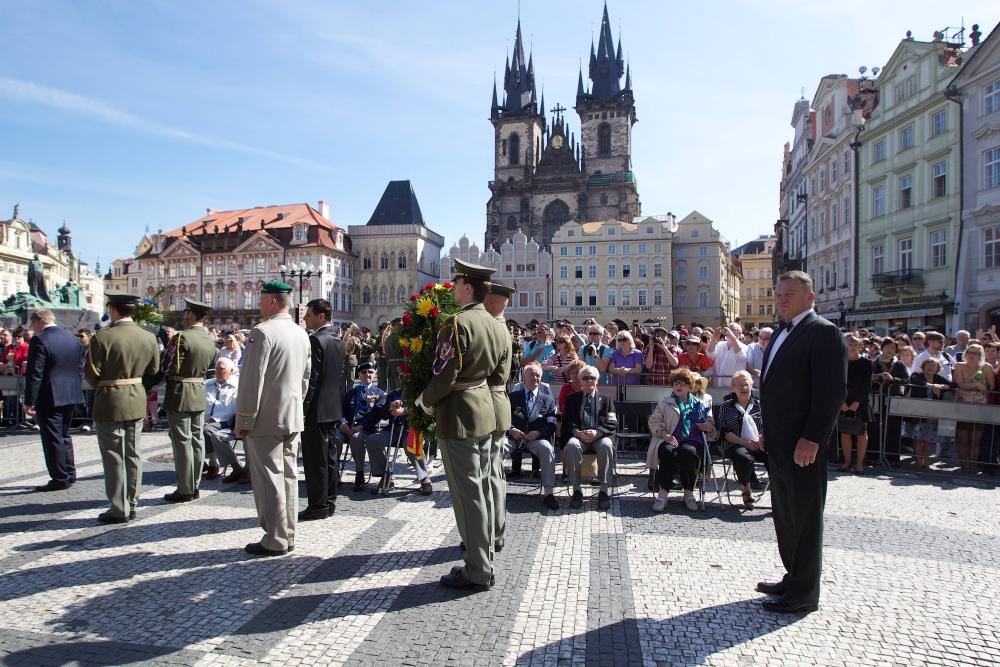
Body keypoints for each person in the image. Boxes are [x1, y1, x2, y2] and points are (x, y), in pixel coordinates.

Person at [756, 270, 846, 614]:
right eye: (778, 294)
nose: (780, 299)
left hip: (803, 445)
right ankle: (793, 575)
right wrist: (766, 430)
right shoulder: (780, 331)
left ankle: (805, 592)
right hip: (778, 441)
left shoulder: (824, 332)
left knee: (806, 517)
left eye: (788, 294)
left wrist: (812, 438)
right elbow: (775, 390)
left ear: (810, 297)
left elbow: (831, 392)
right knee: (785, 514)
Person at [415, 258, 508, 591]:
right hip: (485, 411)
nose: (452, 289)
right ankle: (482, 558)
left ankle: (478, 569)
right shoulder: (498, 325)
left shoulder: (457, 324)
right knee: (482, 489)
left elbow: (444, 375)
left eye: (456, 284)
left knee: (468, 496)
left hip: (459, 415)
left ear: (468, 286)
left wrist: (423, 402)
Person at [235, 281, 311, 557]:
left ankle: (275, 539)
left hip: (265, 417)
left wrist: (243, 419)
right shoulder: (300, 333)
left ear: (271, 301)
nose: (259, 305)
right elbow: (305, 378)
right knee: (289, 476)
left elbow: (251, 380)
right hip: (292, 416)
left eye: (261, 299)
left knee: (269, 478)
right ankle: (288, 533)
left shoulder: (262, 332)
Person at [84, 291, 160, 524]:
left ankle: (119, 507)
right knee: (133, 453)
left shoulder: (102, 337)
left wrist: (106, 385)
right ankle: (133, 501)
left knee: (114, 455)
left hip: (110, 398)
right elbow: (154, 370)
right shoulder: (147, 337)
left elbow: (90, 373)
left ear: (113, 310)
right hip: (136, 397)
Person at [160, 299, 219, 501]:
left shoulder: (181, 338)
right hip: (199, 390)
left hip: (180, 391)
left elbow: (166, 366)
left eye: (186, 312)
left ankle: (185, 488)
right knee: (197, 439)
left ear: (191, 315)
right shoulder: (209, 339)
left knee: (181, 441)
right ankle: (194, 485)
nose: (185, 315)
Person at [23, 309, 85, 492]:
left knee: (52, 437)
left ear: (37, 322)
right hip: (71, 392)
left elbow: (35, 373)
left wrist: (29, 401)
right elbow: (79, 366)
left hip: (50, 394)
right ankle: (70, 472)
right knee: (65, 434)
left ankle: (59, 478)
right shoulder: (72, 339)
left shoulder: (40, 340)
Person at [647, 367, 716, 511]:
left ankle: (688, 493)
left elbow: (711, 427)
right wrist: (664, 434)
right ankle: (663, 494)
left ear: (689, 385)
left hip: (692, 440)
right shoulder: (665, 402)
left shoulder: (699, 404)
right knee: (667, 452)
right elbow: (653, 422)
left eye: (682, 383)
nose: (678, 386)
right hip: (670, 437)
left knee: (689, 452)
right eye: (676, 383)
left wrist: (707, 426)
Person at [301, 298, 345, 519]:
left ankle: (318, 506)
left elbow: (312, 380)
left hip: (316, 409)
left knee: (315, 459)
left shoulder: (316, 340)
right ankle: (329, 501)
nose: (305, 317)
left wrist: (303, 409)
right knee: (329, 457)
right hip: (332, 408)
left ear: (321, 316)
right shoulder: (337, 338)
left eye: (308, 314)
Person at [482, 280, 514, 553]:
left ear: (492, 301)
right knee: (495, 473)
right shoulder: (502, 327)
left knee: (489, 475)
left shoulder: (495, 329)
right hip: (498, 404)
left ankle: (489, 533)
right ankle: (496, 531)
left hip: (489, 405)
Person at [561, 364, 617, 510]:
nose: (589, 381)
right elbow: (567, 421)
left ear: (597, 381)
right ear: (580, 381)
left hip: (600, 436)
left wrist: (598, 432)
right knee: (572, 445)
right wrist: (577, 433)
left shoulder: (606, 399)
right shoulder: (572, 398)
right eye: (585, 378)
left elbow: (612, 422)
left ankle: (604, 490)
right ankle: (576, 490)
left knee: (606, 445)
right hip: (579, 436)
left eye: (592, 378)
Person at [507, 362, 560, 510]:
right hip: (513, 437)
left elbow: (552, 423)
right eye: (532, 374)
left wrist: (539, 433)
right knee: (495, 447)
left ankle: (549, 493)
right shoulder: (512, 397)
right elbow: (502, 419)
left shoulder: (548, 399)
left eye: (538, 375)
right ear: (524, 376)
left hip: (535, 439)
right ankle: (492, 489)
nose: (535, 377)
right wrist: (511, 430)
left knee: (548, 449)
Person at [364, 389, 434, 495]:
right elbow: (382, 414)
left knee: (410, 444)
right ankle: (386, 476)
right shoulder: (393, 394)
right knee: (372, 440)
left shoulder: (417, 391)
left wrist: (404, 411)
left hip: (412, 429)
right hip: (393, 430)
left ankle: (424, 478)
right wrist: (389, 408)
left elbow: (424, 409)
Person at [717, 371, 767, 508]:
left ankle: (779, 493)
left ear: (751, 385)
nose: (743, 388)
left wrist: (761, 439)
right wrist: (746, 443)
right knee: (742, 457)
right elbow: (725, 433)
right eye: (739, 385)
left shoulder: (760, 405)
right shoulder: (726, 407)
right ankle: (746, 488)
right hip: (736, 443)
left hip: (760, 442)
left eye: (746, 385)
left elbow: (768, 427)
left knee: (776, 457)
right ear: (733, 387)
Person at [338, 362, 385, 491]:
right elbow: (340, 410)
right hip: (346, 427)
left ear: (374, 374)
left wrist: (362, 426)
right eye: (364, 372)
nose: (367, 375)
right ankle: (333, 472)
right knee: (334, 438)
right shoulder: (351, 393)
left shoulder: (379, 394)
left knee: (357, 437)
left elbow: (376, 415)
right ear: (359, 374)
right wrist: (342, 423)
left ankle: (359, 473)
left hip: (366, 429)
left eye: (370, 372)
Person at [953, 344, 995, 473]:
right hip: (963, 406)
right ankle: (964, 465)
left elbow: (991, 386)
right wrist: (976, 384)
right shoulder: (959, 365)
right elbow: (960, 384)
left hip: (979, 407)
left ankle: (972, 466)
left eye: (975, 353)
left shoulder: (987, 367)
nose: (971, 355)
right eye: (969, 352)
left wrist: (981, 387)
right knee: (962, 437)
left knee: (976, 439)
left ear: (981, 355)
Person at [905, 358, 954, 469]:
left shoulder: (938, 378)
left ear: (937, 369)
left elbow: (953, 385)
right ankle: (918, 460)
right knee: (919, 439)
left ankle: (926, 461)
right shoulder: (917, 375)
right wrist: (931, 386)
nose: (930, 367)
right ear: (923, 366)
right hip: (919, 413)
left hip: (933, 415)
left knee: (929, 440)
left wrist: (942, 386)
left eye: (933, 366)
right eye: (928, 365)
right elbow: (915, 381)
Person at [202, 357, 242, 482]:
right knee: (178, 431)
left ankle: (214, 464)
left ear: (231, 371)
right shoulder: (207, 384)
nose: (218, 371)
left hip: (225, 421)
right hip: (203, 419)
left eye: (222, 369)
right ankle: (197, 463)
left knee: (208, 431)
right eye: (217, 369)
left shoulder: (237, 386)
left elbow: (233, 408)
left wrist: (214, 419)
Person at [839, 334, 873, 473]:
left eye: (855, 344)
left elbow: (866, 385)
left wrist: (856, 403)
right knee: (845, 432)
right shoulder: (839, 361)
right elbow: (836, 383)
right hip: (842, 402)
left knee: (861, 433)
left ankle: (859, 463)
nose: (852, 347)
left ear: (860, 346)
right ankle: (847, 461)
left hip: (861, 403)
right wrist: (842, 402)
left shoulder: (866, 363)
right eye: (849, 344)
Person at [707, 324, 749, 388]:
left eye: (732, 331)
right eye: (728, 330)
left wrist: (732, 336)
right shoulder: (720, 344)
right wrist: (714, 338)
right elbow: (710, 354)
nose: (729, 332)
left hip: (734, 387)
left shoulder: (745, 348)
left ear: (740, 334)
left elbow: (740, 355)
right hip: (718, 385)